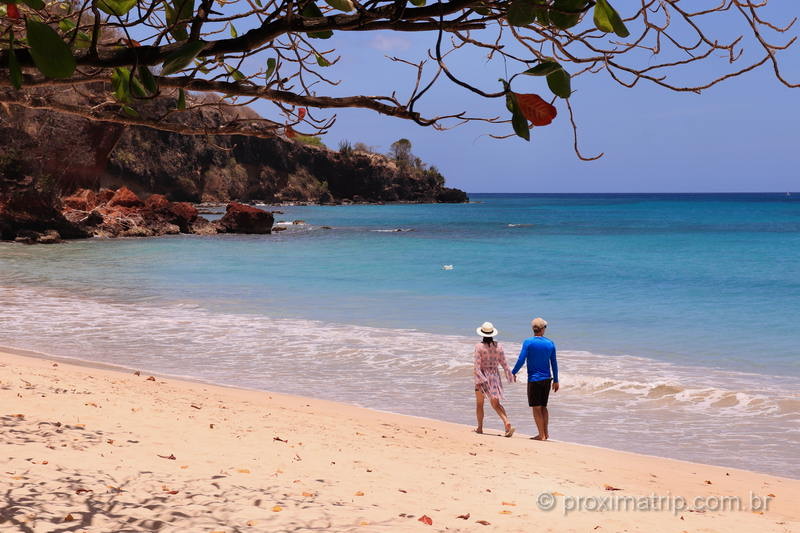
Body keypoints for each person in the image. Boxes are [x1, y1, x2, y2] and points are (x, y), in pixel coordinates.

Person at [512, 317, 559, 440]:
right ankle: (546, 433)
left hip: (534, 379)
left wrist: (513, 372)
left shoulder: (528, 342)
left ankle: (541, 435)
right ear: (542, 329)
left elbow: (521, 359)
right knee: (543, 406)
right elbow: (554, 362)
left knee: (536, 407)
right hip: (547, 380)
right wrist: (556, 380)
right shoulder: (550, 343)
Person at [473, 321, 515, 437]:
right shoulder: (499, 346)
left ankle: (480, 428)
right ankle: (506, 422)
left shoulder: (479, 347)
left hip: (482, 377)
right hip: (495, 377)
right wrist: (510, 375)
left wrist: (480, 379)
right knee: (496, 404)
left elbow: (477, 366)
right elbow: (504, 363)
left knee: (479, 404)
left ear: (482, 333)